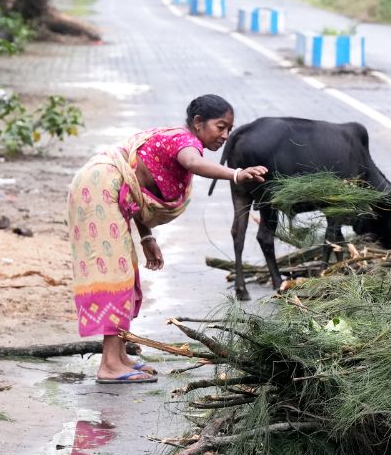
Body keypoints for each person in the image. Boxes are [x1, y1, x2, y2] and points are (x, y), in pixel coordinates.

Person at [67, 95, 268, 383]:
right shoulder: (184, 143)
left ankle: (119, 356)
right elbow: (193, 163)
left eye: (229, 129)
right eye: (220, 127)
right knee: (115, 275)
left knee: (126, 272)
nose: (224, 136)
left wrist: (147, 236)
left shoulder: (178, 140)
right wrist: (236, 175)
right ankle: (110, 365)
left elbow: (135, 187)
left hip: (110, 190)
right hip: (99, 189)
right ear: (198, 124)